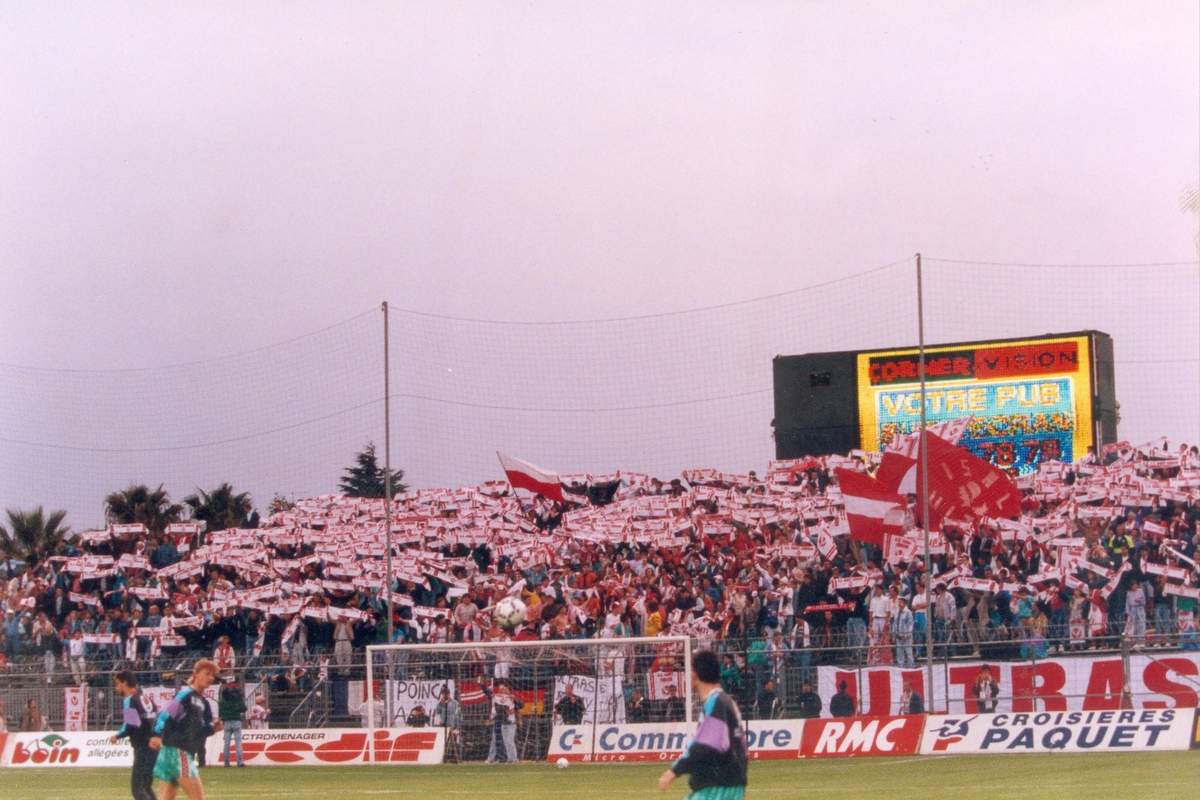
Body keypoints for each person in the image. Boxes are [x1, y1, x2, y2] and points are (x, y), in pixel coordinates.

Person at [657, 649, 748, 800]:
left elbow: (705, 746)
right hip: (726, 785)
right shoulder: (724, 701)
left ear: (695, 675)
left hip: (716, 787)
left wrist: (674, 771)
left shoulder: (716, 703)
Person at [149, 659, 222, 800]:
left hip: (173, 752)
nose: (211, 678)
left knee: (166, 797)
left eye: (212, 675)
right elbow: (165, 714)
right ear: (195, 674)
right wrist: (156, 734)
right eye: (207, 674)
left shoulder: (204, 703)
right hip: (178, 752)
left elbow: (200, 730)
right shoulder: (185, 695)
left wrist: (213, 728)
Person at [111, 669, 156, 800]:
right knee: (146, 787)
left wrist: (117, 736)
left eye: (117, 684)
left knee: (137, 789)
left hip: (142, 748)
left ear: (124, 683)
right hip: (154, 747)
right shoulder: (145, 697)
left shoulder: (129, 699)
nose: (116, 688)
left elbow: (131, 724)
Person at [485, 681, 522, 763]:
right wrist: (491, 719)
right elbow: (494, 710)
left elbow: (519, 708)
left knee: (510, 741)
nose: (502, 691)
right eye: (501, 689)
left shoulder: (512, 698)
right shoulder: (498, 698)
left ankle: (515, 759)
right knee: (505, 742)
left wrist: (519, 720)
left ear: (508, 689)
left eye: (504, 689)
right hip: (502, 723)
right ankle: (509, 758)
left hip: (511, 723)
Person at [218, 678, 247, 767]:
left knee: (226, 743)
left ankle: (226, 762)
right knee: (238, 743)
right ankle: (240, 762)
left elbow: (220, 713)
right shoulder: (236, 699)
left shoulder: (221, 701)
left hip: (226, 722)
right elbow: (244, 708)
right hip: (236, 720)